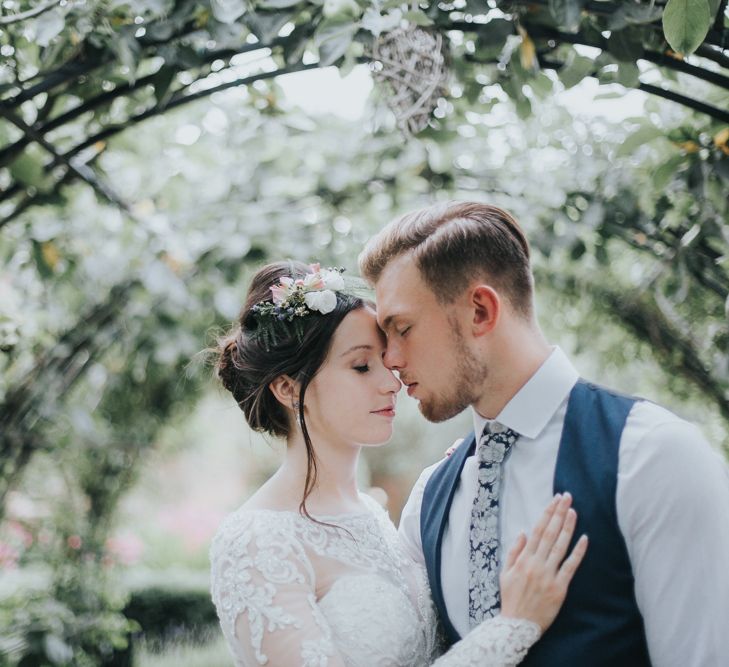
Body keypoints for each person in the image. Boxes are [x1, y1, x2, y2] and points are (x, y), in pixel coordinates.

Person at [358, 200, 729, 666]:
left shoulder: (654, 454)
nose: (389, 358)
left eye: (402, 328)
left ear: (480, 311)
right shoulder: (431, 496)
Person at [209, 260, 588, 667]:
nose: (392, 383)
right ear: (287, 388)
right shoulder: (256, 541)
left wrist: (456, 486)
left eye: (387, 364)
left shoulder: (373, 514)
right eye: (360, 366)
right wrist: (513, 627)